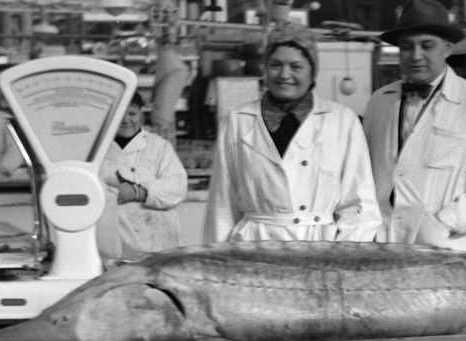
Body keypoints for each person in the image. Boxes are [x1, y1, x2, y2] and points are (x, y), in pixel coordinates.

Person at [203, 21, 381, 243]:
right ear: (265, 68)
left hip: (321, 248)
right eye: (276, 65)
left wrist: (344, 258)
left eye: (296, 67)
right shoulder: (237, 121)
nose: (284, 75)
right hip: (254, 248)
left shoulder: (342, 120)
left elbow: (359, 205)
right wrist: (218, 264)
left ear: (313, 72)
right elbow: (222, 205)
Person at [363, 0, 466, 250]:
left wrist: (444, 223)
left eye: (427, 46)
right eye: (406, 47)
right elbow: (366, 175)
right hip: (385, 244)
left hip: (447, 247)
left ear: (447, 49)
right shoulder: (379, 102)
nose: (416, 56)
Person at [98, 91, 189, 256]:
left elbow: (178, 186)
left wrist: (138, 192)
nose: (126, 120)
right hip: (115, 242)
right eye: (120, 114)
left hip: (158, 241)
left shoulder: (159, 146)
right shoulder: (97, 149)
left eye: (132, 113)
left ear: (142, 113)